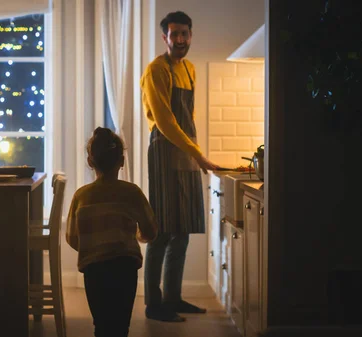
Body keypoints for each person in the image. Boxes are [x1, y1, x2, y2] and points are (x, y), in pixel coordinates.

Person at [140, 11, 221, 322]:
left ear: (191, 34)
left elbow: (187, 117)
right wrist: (199, 155)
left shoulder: (188, 68)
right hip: (164, 151)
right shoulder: (156, 70)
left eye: (185, 33)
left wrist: (194, 152)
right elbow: (165, 122)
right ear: (165, 37)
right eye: (174, 34)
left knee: (182, 230)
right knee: (161, 230)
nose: (181, 39)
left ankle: (173, 298)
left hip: (186, 152)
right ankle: (153, 303)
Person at [66, 127, 158, 337]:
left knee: (101, 323)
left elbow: (72, 237)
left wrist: (94, 245)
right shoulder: (132, 192)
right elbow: (150, 231)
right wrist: (135, 236)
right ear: (122, 161)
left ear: (90, 162)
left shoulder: (81, 196)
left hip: (94, 270)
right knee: (120, 325)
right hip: (125, 267)